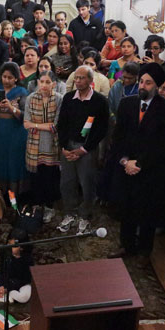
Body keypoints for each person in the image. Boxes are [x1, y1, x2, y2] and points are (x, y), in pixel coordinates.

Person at [108, 63, 165, 266]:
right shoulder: (127, 104)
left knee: (147, 212)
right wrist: (124, 160)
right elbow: (118, 137)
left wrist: (139, 163)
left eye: (148, 83)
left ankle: (144, 251)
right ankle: (126, 245)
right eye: (141, 81)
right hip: (126, 167)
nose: (143, 85)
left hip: (150, 171)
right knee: (126, 208)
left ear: (156, 86)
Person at [55, 66, 110, 233]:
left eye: (81, 78)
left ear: (90, 80)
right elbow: (61, 124)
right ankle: (70, 213)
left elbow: (102, 129)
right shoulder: (69, 98)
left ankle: (85, 215)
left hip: (87, 148)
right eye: (76, 78)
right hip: (68, 146)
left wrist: (84, 149)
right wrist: (64, 147)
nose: (77, 81)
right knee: (67, 182)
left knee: (87, 183)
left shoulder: (100, 101)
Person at [23, 70, 63, 221]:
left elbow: (56, 126)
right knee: (36, 178)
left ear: (54, 84)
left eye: (48, 82)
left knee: (50, 178)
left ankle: (49, 207)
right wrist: (44, 125)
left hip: (52, 145)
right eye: (42, 81)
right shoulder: (31, 98)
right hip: (34, 145)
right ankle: (37, 205)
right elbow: (26, 124)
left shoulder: (59, 99)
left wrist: (36, 125)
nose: (44, 85)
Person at [0, 62, 29, 195]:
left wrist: (11, 108)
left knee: (13, 160)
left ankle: (14, 195)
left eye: (10, 77)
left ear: (16, 78)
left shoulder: (22, 92)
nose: (6, 80)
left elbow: (25, 116)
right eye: (4, 76)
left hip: (15, 133)